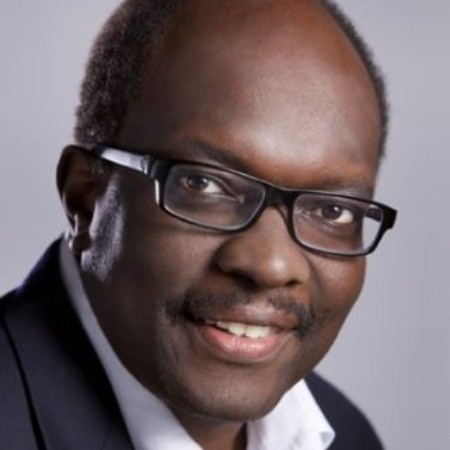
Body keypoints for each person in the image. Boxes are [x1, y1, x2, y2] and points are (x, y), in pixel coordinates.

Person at [0, 0, 397, 449]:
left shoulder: (346, 436)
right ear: (85, 198)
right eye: (205, 184)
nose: (271, 265)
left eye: (332, 211)